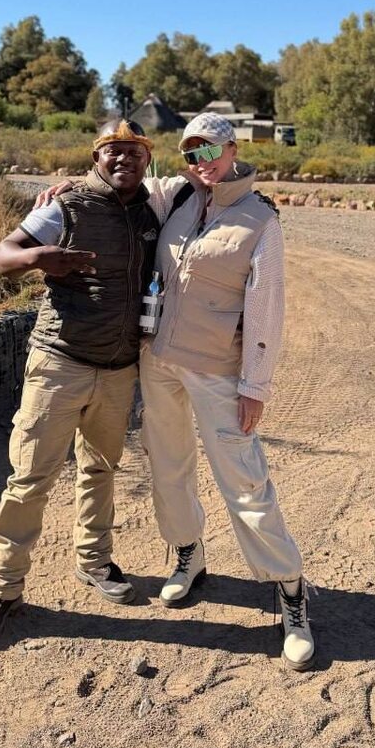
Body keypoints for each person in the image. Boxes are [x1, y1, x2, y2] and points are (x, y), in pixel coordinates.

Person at [0, 120, 191, 647]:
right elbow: (2, 256)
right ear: (96, 157)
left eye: (134, 152)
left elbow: (205, 189)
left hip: (119, 370)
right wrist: (35, 259)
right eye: (114, 151)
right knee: (31, 478)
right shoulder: (64, 206)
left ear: (147, 159)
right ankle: (1, 589)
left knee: (100, 469)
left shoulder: (154, 212)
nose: (124, 159)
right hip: (59, 364)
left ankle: (94, 561)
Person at [140, 112, 315, 671]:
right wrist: (66, 189)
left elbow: (266, 309)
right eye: (191, 153)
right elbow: (117, 185)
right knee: (168, 466)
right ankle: (188, 554)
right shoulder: (176, 197)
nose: (202, 162)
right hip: (158, 360)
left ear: (233, 149)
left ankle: (290, 589)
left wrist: (254, 385)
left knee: (244, 480)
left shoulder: (261, 220)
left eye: (211, 150)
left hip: (217, 369)